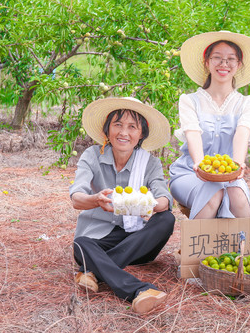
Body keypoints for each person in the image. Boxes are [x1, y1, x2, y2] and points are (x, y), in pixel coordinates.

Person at [70, 97, 174, 314]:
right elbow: (76, 198)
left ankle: (93, 271)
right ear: (107, 131)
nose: (123, 133)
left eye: (132, 127)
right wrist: (96, 200)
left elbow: (164, 201)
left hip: (136, 239)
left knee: (166, 219)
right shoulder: (92, 156)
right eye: (117, 125)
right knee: (81, 243)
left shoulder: (150, 163)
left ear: (141, 135)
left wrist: (133, 205)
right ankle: (139, 291)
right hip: (99, 239)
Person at [169, 31, 250, 219]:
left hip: (229, 176)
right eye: (217, 58)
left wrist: (237, 165)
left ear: (238, 65)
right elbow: (193, 134)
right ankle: (195, 248)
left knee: (237, 195)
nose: (224, 64)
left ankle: (244, 246)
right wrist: (200, 165)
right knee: (213, 192)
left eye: (231, 59)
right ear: (206, 62)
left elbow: (242, 134)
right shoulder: (190, 101)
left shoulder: (246, 103)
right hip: (190, 173)